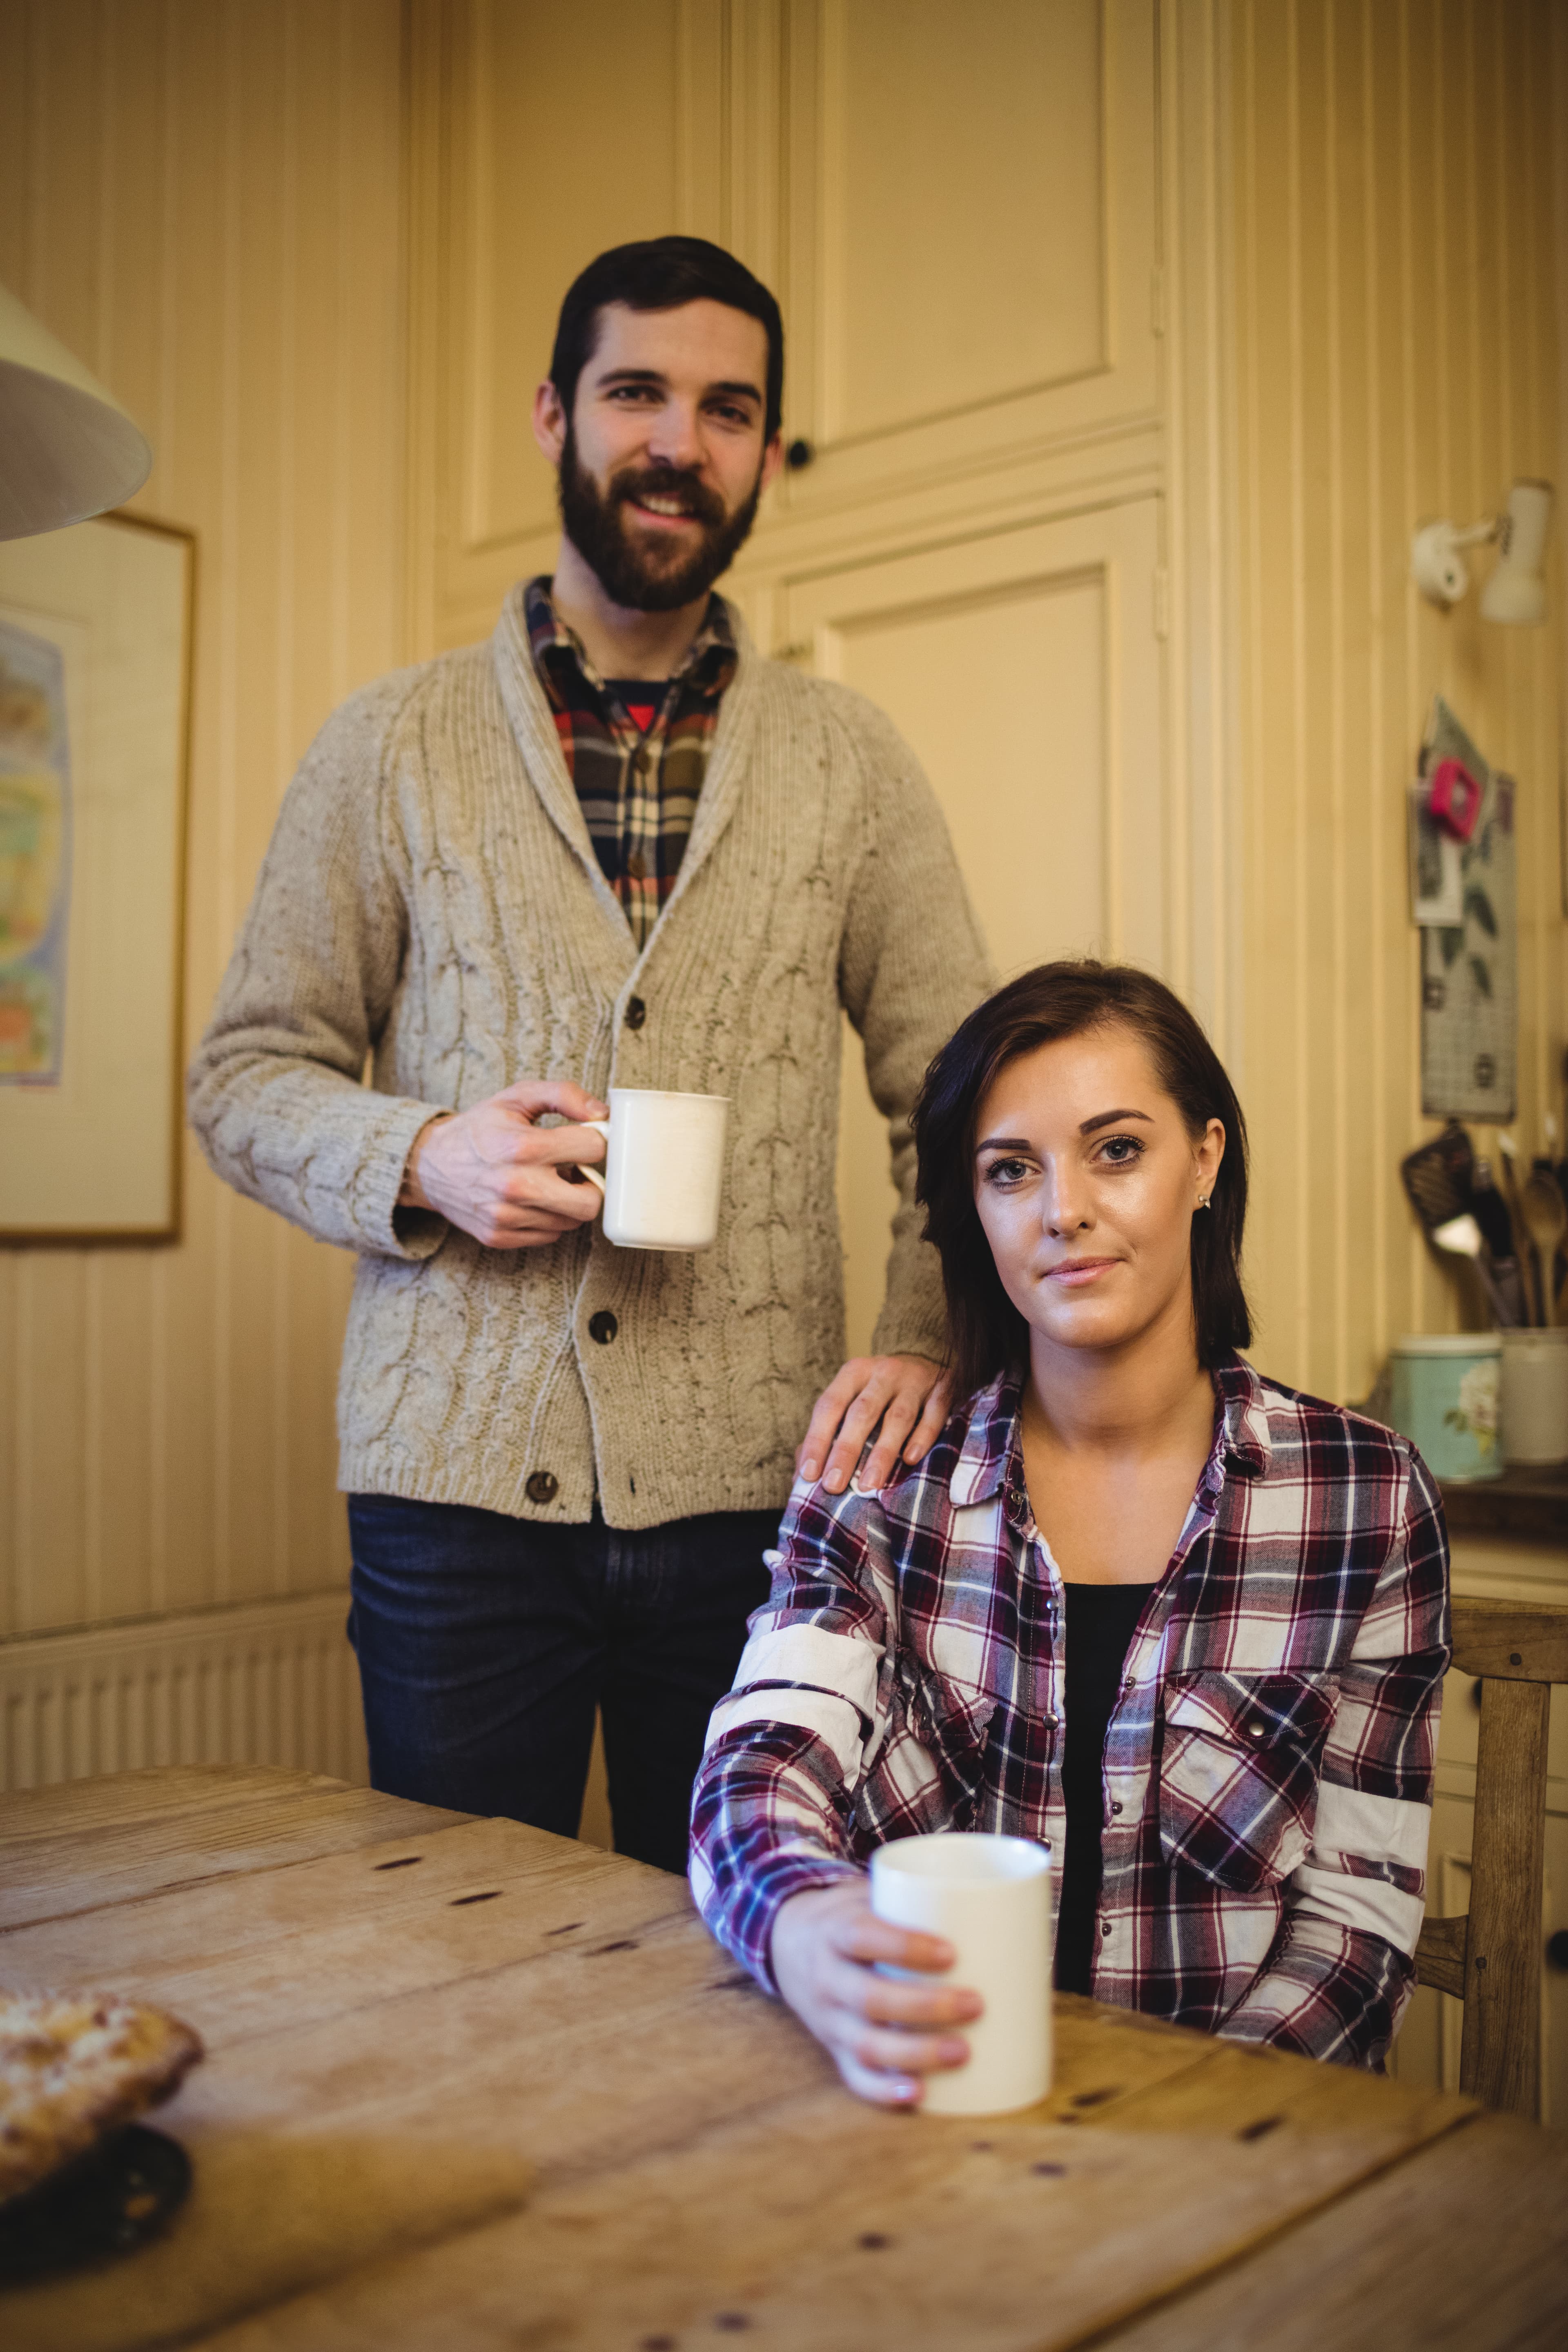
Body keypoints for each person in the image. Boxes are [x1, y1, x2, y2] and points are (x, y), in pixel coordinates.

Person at [188, 236, 989, 1874]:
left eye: (730, 408)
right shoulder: (387, 745)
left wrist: (925, 1333)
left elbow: (964, 1090)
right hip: (453, 1507)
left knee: (745, 1962)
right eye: (639, 393)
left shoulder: (852, 761)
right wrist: (429, 1158)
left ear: (766, 450)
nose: (679, 443)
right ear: (556, 413)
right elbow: (246, 1075)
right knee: (464, 1967)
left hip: (766, 1500)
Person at [690, 962, 1450, 2096]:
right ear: (975, 1211)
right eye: (1011, 1170)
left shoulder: (1366, 1496)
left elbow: (1355, 1909)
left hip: (1232, 2152)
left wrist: (1204, 2119)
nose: (1064, 1211)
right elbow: (760, 1769)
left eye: (1117, 1150)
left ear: (1204, 1158)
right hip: (921, 2116)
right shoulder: (877, 1481)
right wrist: (797, 1924)